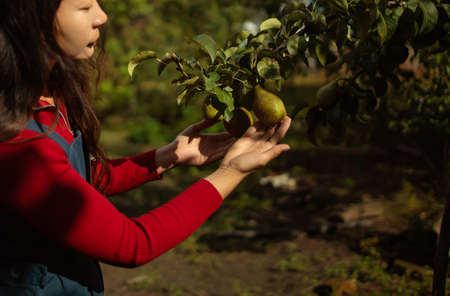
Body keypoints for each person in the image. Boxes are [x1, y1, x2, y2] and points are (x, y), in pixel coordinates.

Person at [0, 0, 292, 295]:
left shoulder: (49, 94)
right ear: (31, 19)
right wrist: (230, 172)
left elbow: (80, 180)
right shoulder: (20, 144)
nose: (101, 16)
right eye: (85, 7)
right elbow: (132, 245)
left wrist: (166, 157)